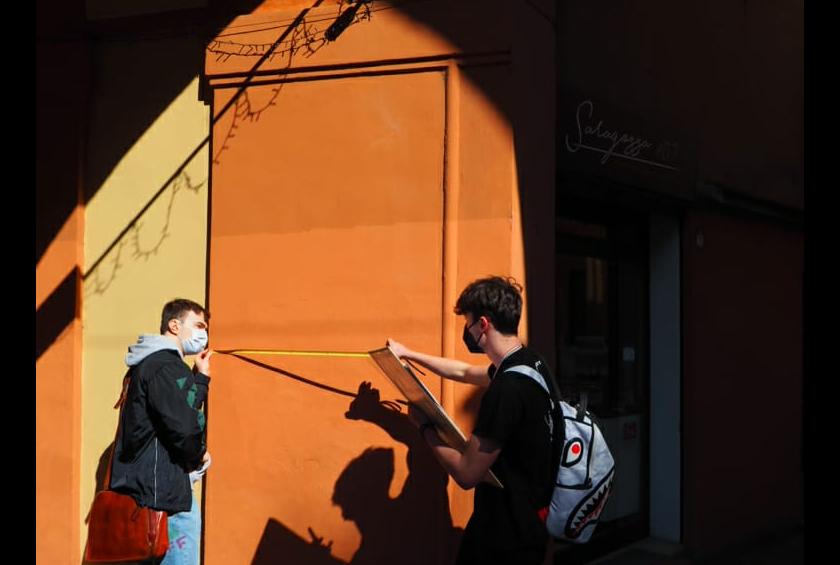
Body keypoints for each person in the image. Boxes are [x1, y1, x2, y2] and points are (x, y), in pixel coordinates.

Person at [388, 276, 557, 565]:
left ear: (483, 324)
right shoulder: (530, 364)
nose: (466, 331)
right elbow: (465, 372)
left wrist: (425, 426)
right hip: (532, 526)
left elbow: (467, 474)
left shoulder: (506, 390)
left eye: (467, 323)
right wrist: (408, 353)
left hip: (503, 537)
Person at [109, 298, 213, 565]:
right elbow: (185, 426)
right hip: (165, 500)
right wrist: (199, 455)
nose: (204, 333)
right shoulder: (165, 366)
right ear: (175, 325)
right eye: (199, 325)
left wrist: (200, 378)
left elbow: (180, 409)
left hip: (147, 495)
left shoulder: (149, 365)